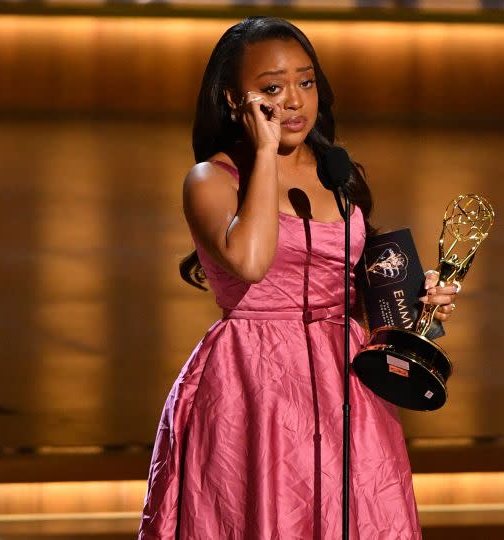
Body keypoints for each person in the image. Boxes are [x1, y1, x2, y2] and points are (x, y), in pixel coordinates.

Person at [138, 16, 459, 539]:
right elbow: (251, 263)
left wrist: (418, 310)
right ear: (231, 99)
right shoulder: (212, 179)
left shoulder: (336, 171)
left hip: (345, 381)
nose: (293, 101)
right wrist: (264, 153)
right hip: (254, 386)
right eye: (271, 87)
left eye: (305, 82)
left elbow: (351, 286)